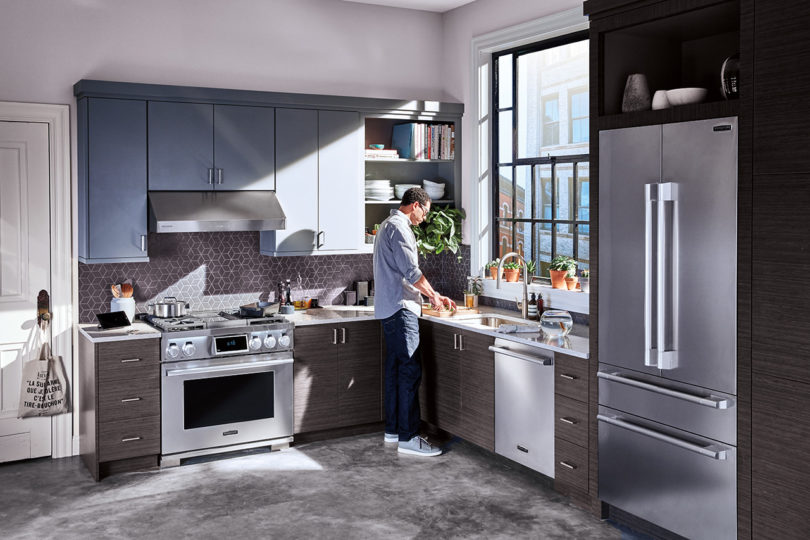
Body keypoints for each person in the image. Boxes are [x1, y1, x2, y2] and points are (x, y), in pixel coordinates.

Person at [373, 187, 456, 457]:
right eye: (426, 212)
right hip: (401, 309)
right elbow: (411, 272)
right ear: (416, 205)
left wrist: (433, 294)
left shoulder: (388, 225)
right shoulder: (400, 227)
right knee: (409, 373)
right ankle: (409, 437)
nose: (425, 218)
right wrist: (433, 296)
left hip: (390, 309)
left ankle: (394, 431)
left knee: (396, 372)